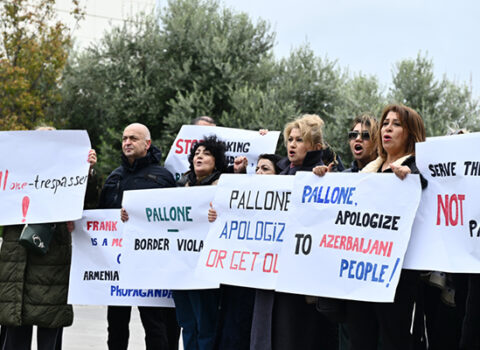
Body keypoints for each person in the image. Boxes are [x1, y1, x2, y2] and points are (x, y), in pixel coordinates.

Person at [0, 126, 97, 350]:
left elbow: (89, 203)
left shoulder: (69, 173)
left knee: (49, 328)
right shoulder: (15, 170)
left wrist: (87, 170)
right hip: (16, 258)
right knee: (15, 324)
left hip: (52, 258)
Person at [251, 114, 341, 350]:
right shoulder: (280, 178)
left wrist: (325, 182)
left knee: (295, 336)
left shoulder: (323, 178)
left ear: (316, 147)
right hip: (271, 274)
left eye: (299, 140)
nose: (292, 144)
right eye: (290, 139)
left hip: (300, 281)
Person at [342, 104, 427, 350]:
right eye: (386, 123)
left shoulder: (416, 169)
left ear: (411, 133)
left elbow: (427, 197)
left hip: (397, 279)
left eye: (397, 124)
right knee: (360, 340)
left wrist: (412, 177)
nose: (388, 128)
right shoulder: (367, 172)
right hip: (360, 273)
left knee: (394, 340)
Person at [98, 123, 179, 350]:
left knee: (155, 325)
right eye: (124, 138)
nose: (127, 142)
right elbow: (101, 216)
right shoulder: (114, 177)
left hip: (150, 265)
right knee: (116, 325)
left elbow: (173, 219)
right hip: (118, 265)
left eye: (133, 138)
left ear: (147, 144)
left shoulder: (163, 177)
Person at [173, 135, 227, 350]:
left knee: (206, 325)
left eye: (206, 153)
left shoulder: (223, 188)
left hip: (205, 269)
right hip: (181, 267)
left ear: (217, 161)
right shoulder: (178, 187)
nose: (200, 157)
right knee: (187, 323)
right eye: (196, 153)